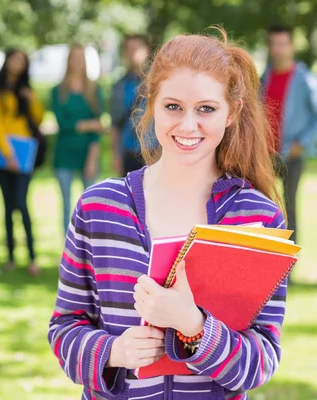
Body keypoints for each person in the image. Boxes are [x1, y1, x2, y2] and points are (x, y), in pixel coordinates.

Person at [48, 29, 288, 399]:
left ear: (231, 113)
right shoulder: (98, 207)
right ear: (151, 105)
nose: (187, 125)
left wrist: (193, 325)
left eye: (206, 109)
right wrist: (113, 352)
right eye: (173, 106)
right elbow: (65, 327)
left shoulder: (257, 218)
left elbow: (261, 361)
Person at [261, 24, 317, 247]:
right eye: (274, 44)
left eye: (283, 44)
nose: (278, 49)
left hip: (292, 154)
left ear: (292, 46)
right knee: (262, 207)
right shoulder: (265, 76)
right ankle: (265, 256)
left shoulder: (303, 78)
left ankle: (289, 261)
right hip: (266, 154)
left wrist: (302, 144)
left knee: (289, 207)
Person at [0, 49, 45, 276]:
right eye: (14, 59)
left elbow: (39, 118)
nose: (17, 64)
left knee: (22, 204)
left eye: (21, 61)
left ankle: (32, 257)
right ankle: (11, 257)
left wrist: (32, 100)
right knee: (7, 206)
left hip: (25, 152)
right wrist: (7, 153)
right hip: (3, 153)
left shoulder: (27, 89)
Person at [52, 44, 105, 234]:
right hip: (63, 155)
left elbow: (98, 129)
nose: (77, 61)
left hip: (87, 154)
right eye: (73, 57)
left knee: (90, 207)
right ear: (68, 61)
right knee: (66, 206)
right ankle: (68, 253)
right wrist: (88, 124)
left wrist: (92, 158)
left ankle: (89, 251)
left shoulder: (94, 90)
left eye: (80, 57)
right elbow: (61, 123)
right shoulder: (58, 91)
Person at [110, 34, 153, 175]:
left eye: (137, 48)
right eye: (129, 49)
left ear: (146, 50)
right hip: (127, 152)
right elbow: (115, 123)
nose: (133, 52)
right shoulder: (119, 85)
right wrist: (115, 154)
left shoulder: (158, 82)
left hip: (154, 152)